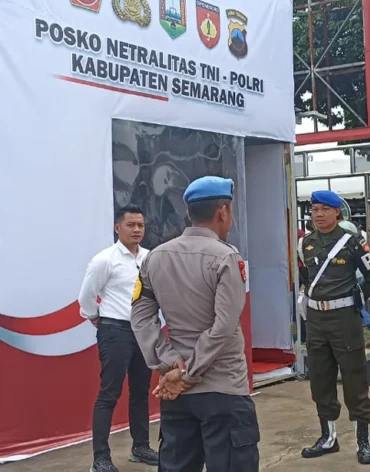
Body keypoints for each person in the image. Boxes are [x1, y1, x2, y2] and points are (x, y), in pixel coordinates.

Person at [131, 176, 260, 471]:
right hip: (223, 388)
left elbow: (140, 317)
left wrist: (169, 362)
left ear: (189, 213)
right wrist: (189, 373)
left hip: (177, 392)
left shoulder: (155, 258)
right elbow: (224, 326)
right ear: (223, 212)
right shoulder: (227, 258)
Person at [298, 190, 370, 464]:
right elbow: (305, 278)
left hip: (344, 320)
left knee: (354, 379)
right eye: (315, 209)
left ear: (337, 212)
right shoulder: (306, 244)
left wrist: (354, 301)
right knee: (320, 379)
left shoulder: (352, 242)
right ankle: (328, 437)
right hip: (316, 321)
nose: (319, 214)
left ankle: (363, 441)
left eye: (325, 209)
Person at [78, 205, 157, 472]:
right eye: (131, 225)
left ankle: (141, 447)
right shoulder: (105, 259)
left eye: (141, 225)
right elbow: (86, 296)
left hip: (144, 332)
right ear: (117, 228)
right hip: (115, 331)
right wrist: (95, 316)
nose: (137, 230)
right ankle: (101, 458)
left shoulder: (149, 258)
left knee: (141, 392)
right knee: (109, 393)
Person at [339, 219, 370, 348]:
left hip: (353, 275)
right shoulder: (357, 237)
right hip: (362, 274)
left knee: (353, 304)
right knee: (355, 304)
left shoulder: (343, 237)